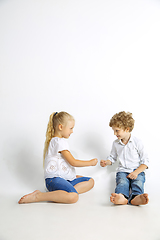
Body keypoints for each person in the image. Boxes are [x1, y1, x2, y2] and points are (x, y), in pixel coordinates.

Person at [19, 111, 97, 204]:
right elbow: (73, 162)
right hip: (53, 180)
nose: (72, 131)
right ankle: (39, 196)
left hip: (64, 179)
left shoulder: (56, 141)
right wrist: (90, 162)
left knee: (90, 181)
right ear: (60, 127)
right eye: (71, 128)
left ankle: (63, 193)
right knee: (74, 197)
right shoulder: (59, 142)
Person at [100, 111, 149, 206]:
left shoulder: (137, 142)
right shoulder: (115, 143)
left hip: (137, 170)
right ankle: (122, 197)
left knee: (138, 182)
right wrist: (107, 162)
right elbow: (112, 158)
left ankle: (136, 197)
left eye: (117, 130)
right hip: (122, 171)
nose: (114, 133)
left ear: (127, 129)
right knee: (122, 183)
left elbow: (146, 162)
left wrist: (136, 172)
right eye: (113, 131)